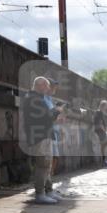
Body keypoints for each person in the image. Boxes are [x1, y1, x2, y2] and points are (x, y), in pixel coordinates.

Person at [22, 76, 64, 204]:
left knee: (47, 165)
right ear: (39, 85)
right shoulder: (34, 99)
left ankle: (48, 191)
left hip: (44, 135)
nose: (48, 88)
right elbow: (46, 117)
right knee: (42, 165)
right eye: (46, 86)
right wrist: (56, 111)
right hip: (40, 136)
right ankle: (40, 194)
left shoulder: (35, 98)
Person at [94, 100, 107, 167]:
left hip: (100, 130)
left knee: (104, 145)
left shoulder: (100, 112)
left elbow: (105, 115)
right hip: (100, 130)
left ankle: (104, 161)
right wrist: (104, 130)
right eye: (106, 105)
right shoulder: (99, 112)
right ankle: (104, 161)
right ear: (103, 106)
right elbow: (99, 123)